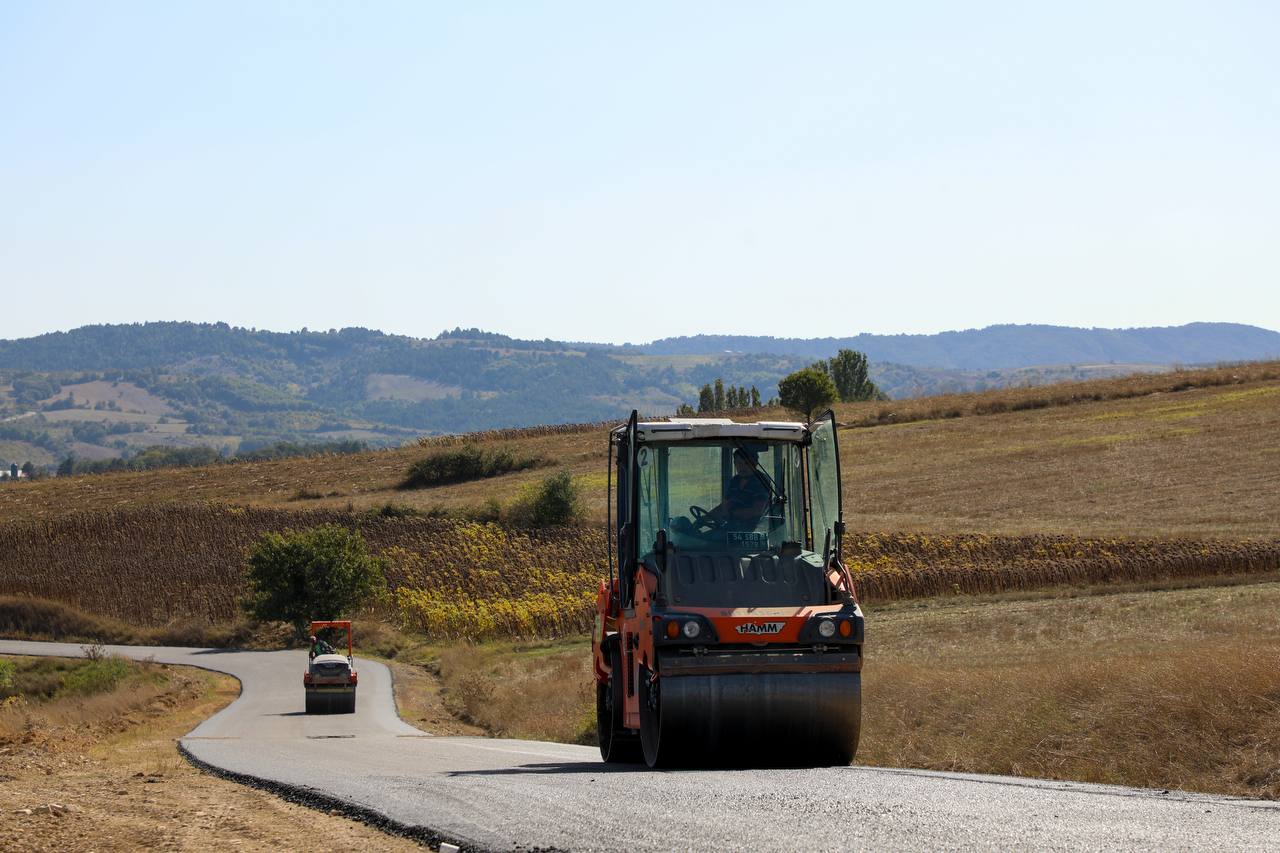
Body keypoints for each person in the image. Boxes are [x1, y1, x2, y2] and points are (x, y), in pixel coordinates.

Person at [704, 448, 771, 529]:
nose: (742, 467)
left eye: (747, 463)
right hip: (732, 527)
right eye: (739, 463)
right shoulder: (735, 481)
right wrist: (704, 519)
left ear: (755, 463)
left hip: (753, 530)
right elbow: (724, 506)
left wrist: (731, 514)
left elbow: (757, 511)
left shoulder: (761, 481)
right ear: (734, 463)